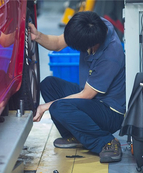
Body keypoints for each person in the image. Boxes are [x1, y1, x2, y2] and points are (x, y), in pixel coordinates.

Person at [29, 11, 125, 163]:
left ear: (91, 44)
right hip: (92, 100)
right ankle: (75, 136)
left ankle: (106, 142)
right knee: (48, 85)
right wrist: (37, 36)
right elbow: (58, 43)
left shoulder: (110, 55)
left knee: (58, 107)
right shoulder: (91, 25)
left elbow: (86, 95)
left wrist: (44, 106)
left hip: (109, 112)